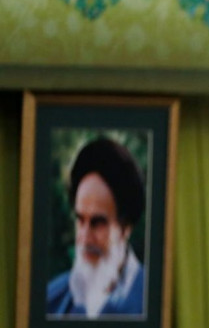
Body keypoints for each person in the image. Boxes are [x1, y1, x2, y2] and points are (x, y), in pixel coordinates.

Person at [46, 136, 146, 318]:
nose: (84, 237)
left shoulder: (152, 302)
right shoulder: (51, 301)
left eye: (97, 223)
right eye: (80, 220)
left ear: (125, 228)